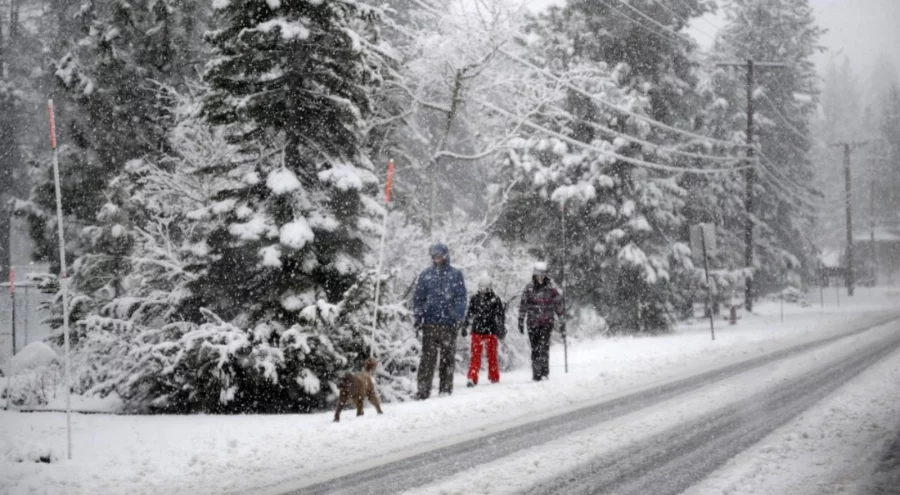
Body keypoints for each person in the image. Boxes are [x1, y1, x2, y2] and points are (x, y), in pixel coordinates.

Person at [413, 243, 467, 399]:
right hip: (430, 323)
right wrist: (418, 317)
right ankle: (423, 390)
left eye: (439, 255)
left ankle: (445, 389)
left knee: (447, 358)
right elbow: (418, 298)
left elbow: (461, 298)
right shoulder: (426, 275)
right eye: (434, 256)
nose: (437, 259)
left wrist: (458, 316)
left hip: (449, 324)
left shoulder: (455, 275)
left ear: (445, 255)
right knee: (427, 359)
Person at [518, 262, 564, 381]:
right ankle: (536, 373)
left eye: (542, 275)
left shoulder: (551, 289)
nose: (540, 277)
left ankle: (544, 371)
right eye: (538, 275)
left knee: (543, 347)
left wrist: (562, 320)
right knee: (535, 348)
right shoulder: (529, 288)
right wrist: (520, 320)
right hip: (532, 323)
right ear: (534, 275)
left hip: (546, 323)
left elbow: (558, 305)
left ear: (546, 276)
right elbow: (523, 305)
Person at [462, 273, 506, 387]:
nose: (483, 290)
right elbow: (469, 314)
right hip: (477, 331)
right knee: (475, 356)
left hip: (491, 331)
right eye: (481, 287)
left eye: (485, 288)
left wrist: (501, 327)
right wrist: (465, 325)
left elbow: (500, 315)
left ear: (490, 287)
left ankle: (494, 377)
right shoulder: (474, 299)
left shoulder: (495, 299)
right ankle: (472, 377)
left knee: (492, 355)